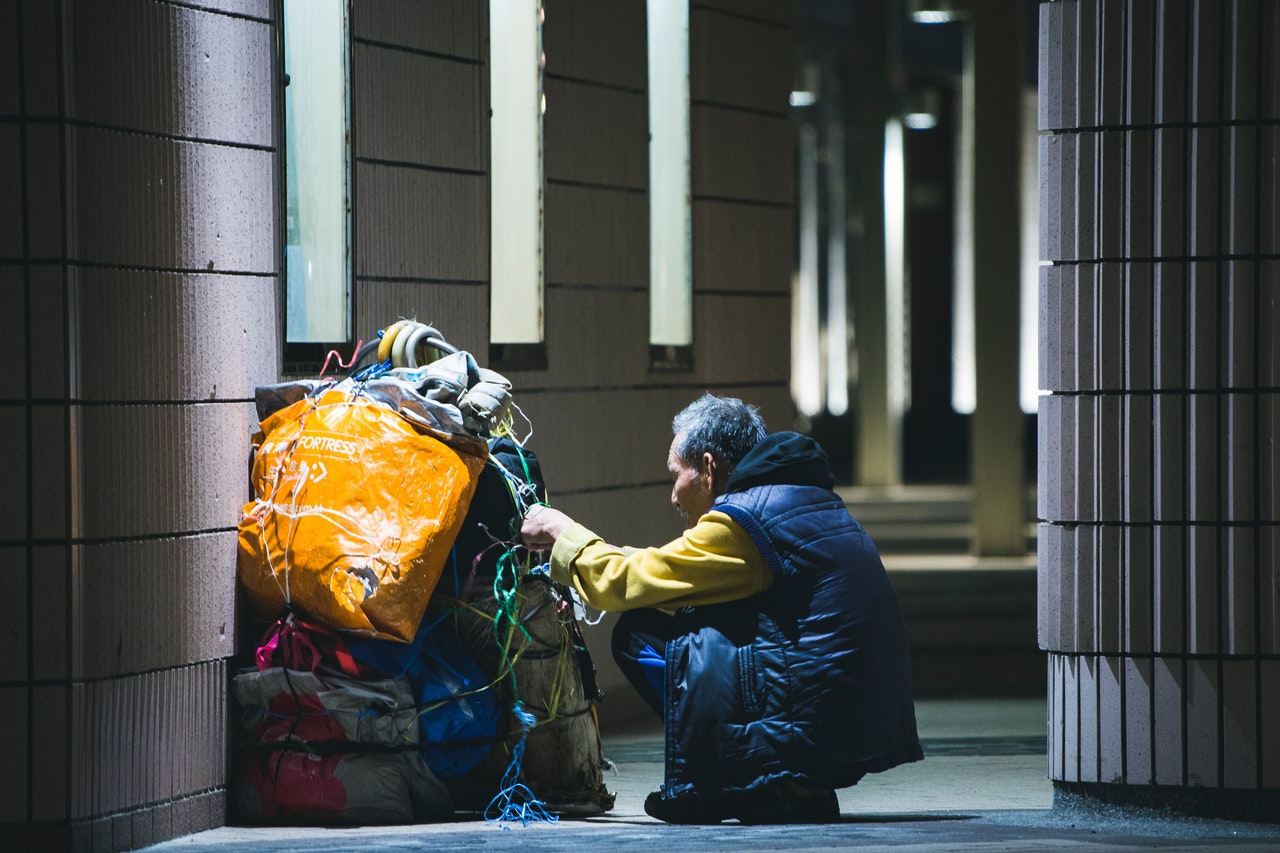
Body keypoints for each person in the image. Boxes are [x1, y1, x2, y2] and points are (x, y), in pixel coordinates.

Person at [520, 394, 922, 824]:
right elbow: (664, 570)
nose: (673, 496)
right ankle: (796, 785)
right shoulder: (798, 501)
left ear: (709, 469)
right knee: (692, 618)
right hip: (859, 721)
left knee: (638, 634)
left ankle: (740, 782)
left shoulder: (742, 525)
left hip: (820, 726)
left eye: (676, 475)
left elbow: (623, 584)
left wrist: (563, 531)